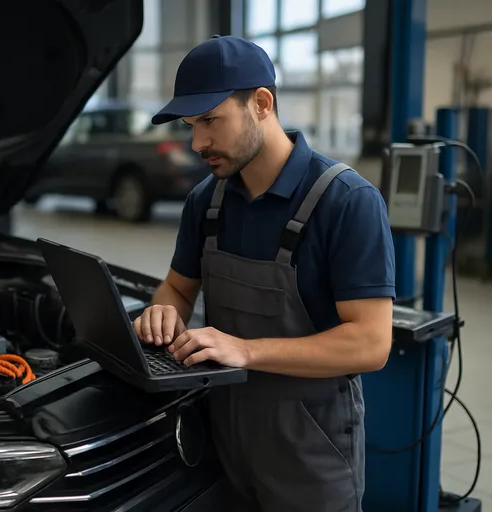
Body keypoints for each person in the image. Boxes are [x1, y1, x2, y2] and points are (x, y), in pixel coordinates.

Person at [132, 35, 395, 512]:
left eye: (210, 121)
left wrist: (246, 350)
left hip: (310, 451)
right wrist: (162, 311)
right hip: (225, 440)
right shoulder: (205, 202)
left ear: (261, 103)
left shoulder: (347, 202)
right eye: (191, 126)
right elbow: (176, 287)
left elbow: (371, 344)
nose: (198, 143)